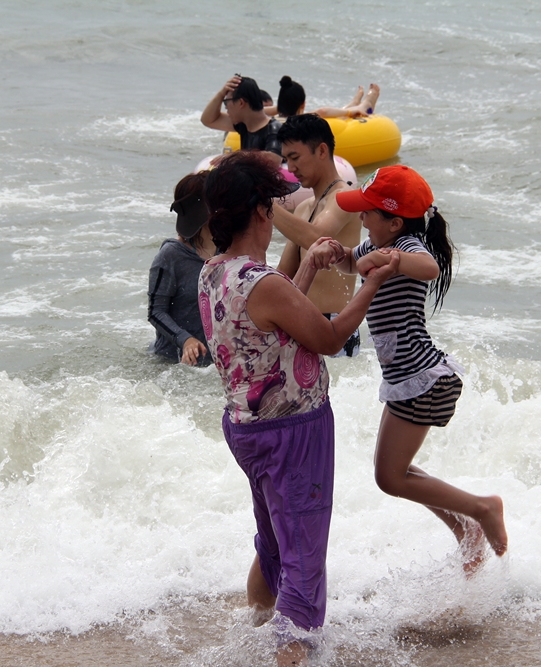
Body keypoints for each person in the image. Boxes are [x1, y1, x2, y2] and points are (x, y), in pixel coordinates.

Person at [199, 151, 399, 666]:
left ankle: (254, 636)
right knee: (304, 567)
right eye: (273, 207)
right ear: (261, 213)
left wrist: (307, 265)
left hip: (245, 427)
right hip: (293, 433)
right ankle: (289, 652)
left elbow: (273, 328)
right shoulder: (261, 282)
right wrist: (371, 284)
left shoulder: (215, 273)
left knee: (273, 548)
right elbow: (327, 338)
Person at [330, 165, 508, 573]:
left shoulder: (407, 246)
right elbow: (351, 264)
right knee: (392, 473)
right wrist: (336, 253)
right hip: (406, 381)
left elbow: (429, 268)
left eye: (368, 212)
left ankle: (482, 509)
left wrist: (390, 259)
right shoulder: (375, 243)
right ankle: (466, 528)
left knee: (391, 478)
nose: (361, 217)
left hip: (421, 379)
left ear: (394, 223)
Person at [272, 114, 363, 357]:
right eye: (286, 160)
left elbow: (317, 237)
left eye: (295, 158)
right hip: (300, 324)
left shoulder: (346, 197)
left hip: (334, 327)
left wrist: (265, 205)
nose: (290, 168)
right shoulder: (303, 208)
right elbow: (284, 274)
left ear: (322, 150)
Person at [147, 172, 215, 366]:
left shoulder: (228, 250)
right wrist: (185, 340)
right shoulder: (171, 256)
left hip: (215, 364)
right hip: (171, 364)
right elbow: (155, 312)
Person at [201, 75, 283, 165]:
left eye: (226, 102)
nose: (226, 107)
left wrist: (235, 155)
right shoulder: (243, 125)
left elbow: (274, 159)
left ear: (241, 102)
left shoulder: (275, 128)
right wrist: (221, 93)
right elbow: (208, 120)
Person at [268, 77, 381, 120]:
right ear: (303, 104)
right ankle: (363, 105)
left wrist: (283, 106)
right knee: (331, 118)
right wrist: (350, 112)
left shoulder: (269, 120)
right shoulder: (298, 121)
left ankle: (354, 103)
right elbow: (323, 111)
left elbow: (261, 110)